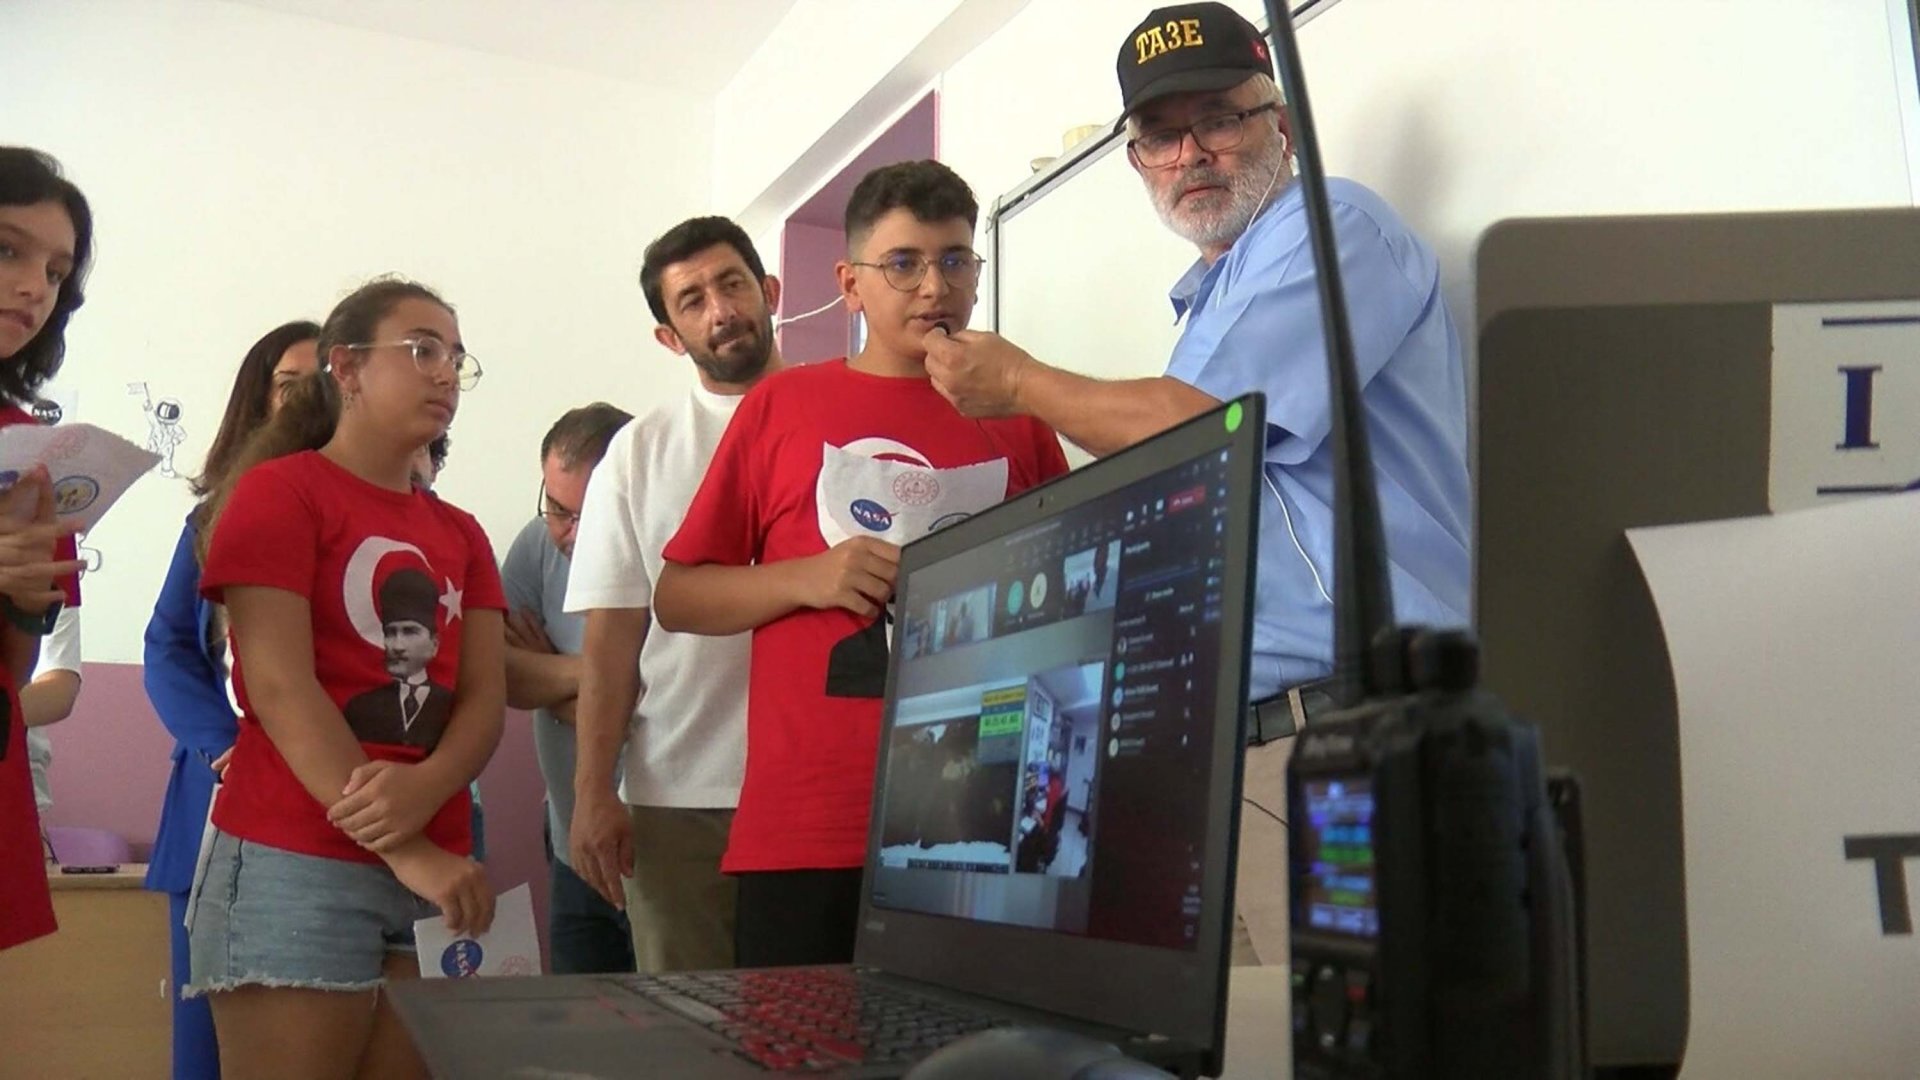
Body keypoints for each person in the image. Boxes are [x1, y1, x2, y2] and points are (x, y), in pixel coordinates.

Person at [924, 2, 1471, 719]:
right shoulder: (1205, 313)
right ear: (1139, 162)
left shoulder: (1333, 224)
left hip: (1358, 707)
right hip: (1254, 718)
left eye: (1220, 120)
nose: (1190, 155)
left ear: (1284, 127)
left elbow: (1197, 431)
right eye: (1160, 137)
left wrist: (1018, 380)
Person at [654, 163, 1071, 966]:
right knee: (794, 1033)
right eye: (903, 263)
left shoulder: (1019, 416)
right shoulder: (781, 406)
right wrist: (805, 578)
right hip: (810, 824)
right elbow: (678, 596)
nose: (934, 287)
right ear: (849, 284)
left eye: (955, 260)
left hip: (983, 819)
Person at [185, 277, 502, 1078]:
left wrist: (429, 789)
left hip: (440, 865)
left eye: (455, 357)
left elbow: (483, 700)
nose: (444, 373)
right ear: (348, 368)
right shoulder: (279, 493)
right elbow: (281, 688)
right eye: (421, 349)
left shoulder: (463, 533)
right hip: (298, 861)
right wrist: (408, 846)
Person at [566, 216, 781, 973]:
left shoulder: (840, 420)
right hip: (679, 795)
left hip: (826, 786)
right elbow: (610, 641)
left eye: (732, 284)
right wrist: (593, 791)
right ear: (669, 336)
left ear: (769, 291)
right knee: (690, 1024)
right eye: (692, 300)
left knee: (834, 1021)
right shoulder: (638, 452)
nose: (720, 311)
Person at [143, 317, 319, 1079]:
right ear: (259, 401)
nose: (309, 399)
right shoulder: (212, 519)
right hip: (218, 806)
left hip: (333, 821)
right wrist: (224, 745)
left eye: (325, 382)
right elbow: (167, 647)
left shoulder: (389, 513)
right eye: (290, 384)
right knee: (207, 1047)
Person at [500, 402, 634, 974]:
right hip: (569, 842)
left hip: (652, 848)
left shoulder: (664, 549)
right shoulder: (536, 547)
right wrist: (606, 676)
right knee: (580, 1020)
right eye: (558, 510)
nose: (570, 534)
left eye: (589, 514)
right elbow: (501, 674)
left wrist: (548, 672)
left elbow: (660, 703)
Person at [0, 146, 91, 954]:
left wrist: (27, 601)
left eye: (56, 272)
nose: (35, 287)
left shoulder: (33, 452)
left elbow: (18, 669)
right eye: (8, 250)